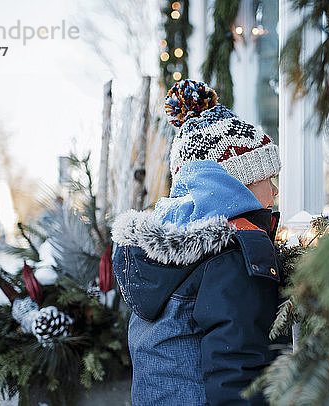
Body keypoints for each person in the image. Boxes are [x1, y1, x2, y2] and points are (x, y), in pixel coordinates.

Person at [111, 79, 282, 405]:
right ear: (235, 185)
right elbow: (237, 369)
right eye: (267, 179)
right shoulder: (231, 253)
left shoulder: (161, 254)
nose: (274, 192)